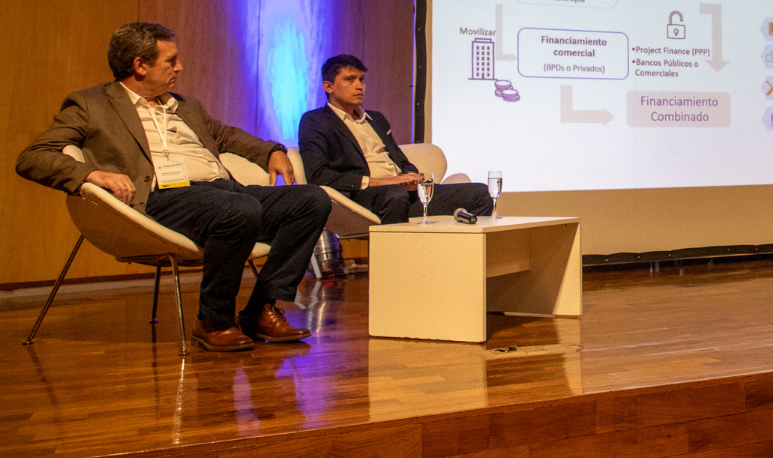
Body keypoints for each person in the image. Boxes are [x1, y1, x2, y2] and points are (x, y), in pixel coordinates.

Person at [15, 23, 331, 352]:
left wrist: (271, 150)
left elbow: (225, 135)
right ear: (140, 65)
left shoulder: (185, 106)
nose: (179, 67)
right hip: (165, 198)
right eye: (171, 60)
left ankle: (262, 309)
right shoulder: (91, 105)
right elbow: (32, 157)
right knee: (240, 210)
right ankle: (214, 320)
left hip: (224, 192)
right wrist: (93, 174)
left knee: (312, 200)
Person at [297, 55, 492, 224]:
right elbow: (319, 176)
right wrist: (385, 182)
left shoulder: (376, 119)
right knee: (395, 195)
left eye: (362, 79)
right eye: (350, 79)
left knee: (480, 193)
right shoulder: (315, 121)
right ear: (328, 86)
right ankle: (396, 256)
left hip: (402, 194)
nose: (359, 86)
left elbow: (402, 161)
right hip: (362, 197)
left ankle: (461, 254)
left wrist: (411, 176)